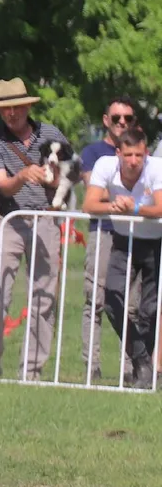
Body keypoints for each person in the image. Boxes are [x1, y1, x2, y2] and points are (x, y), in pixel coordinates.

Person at [0, 78, 72, 380]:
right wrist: (24, 175)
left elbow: (68, 177)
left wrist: (53, 179)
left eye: (17, 106)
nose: (12, 113)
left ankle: (32, 372)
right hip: (7, 220)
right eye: (6, 108)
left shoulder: (52, 134)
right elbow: (3, 185)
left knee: (44, 297)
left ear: (28, 106)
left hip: (44, 219)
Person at [82, 127, 162, 388]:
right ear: (118, 153)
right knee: (111, 298)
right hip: (122, 240)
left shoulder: (155, 168)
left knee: (149, 311)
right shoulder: (105, 165)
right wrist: (113, 206)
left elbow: (161, 206)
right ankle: (142, 361)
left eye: (138, 155)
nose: (133, 161)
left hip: (154, 242)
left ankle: (144, 371)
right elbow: (89, 204)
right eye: (128, 154)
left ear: (146, 153)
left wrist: (135, 207)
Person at [79, 97, 143, 378]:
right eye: (116, 118)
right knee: (95, 298)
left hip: (136, 235)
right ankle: (91, 365)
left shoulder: (140, 152)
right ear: (106, 120)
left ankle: (130, 368)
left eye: (127, 119)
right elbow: (94, 191)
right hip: (104, 231)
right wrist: (130, 198)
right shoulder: (94, 152)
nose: (122, 123)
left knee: (131, 305)